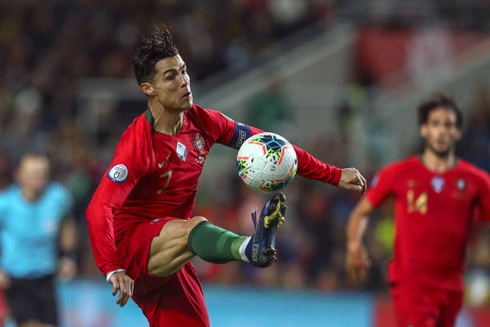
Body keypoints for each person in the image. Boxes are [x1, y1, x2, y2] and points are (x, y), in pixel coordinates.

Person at [86, 24, 367, 327]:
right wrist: (112, 267)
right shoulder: (138, 145)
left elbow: (273, 147)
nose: (184, 81)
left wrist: (334, 175)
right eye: (171, 77)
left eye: (183, 71)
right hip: (130, 249)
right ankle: (250, 248)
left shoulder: (204, 122)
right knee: (193, 227)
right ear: (148, 89)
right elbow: (99, 208)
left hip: (172, 253)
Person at [345, 93, 490, 327]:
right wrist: (354, 244)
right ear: (424, 129)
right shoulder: (399, 173)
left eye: (448, 125)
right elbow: (361, 212)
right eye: (435, 124)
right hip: (411, 283)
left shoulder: (476, 181)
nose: (442, 131)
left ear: (458, 132)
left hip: (452, 285)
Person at [0, 153, 77, 327]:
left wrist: (68, 256)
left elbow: (67, 224)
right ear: (18, 175)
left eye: (42, 174)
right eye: (32, 175)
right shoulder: (5, 204)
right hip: (15, 279)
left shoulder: (58, 198)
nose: (37, 179)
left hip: (45, 277)